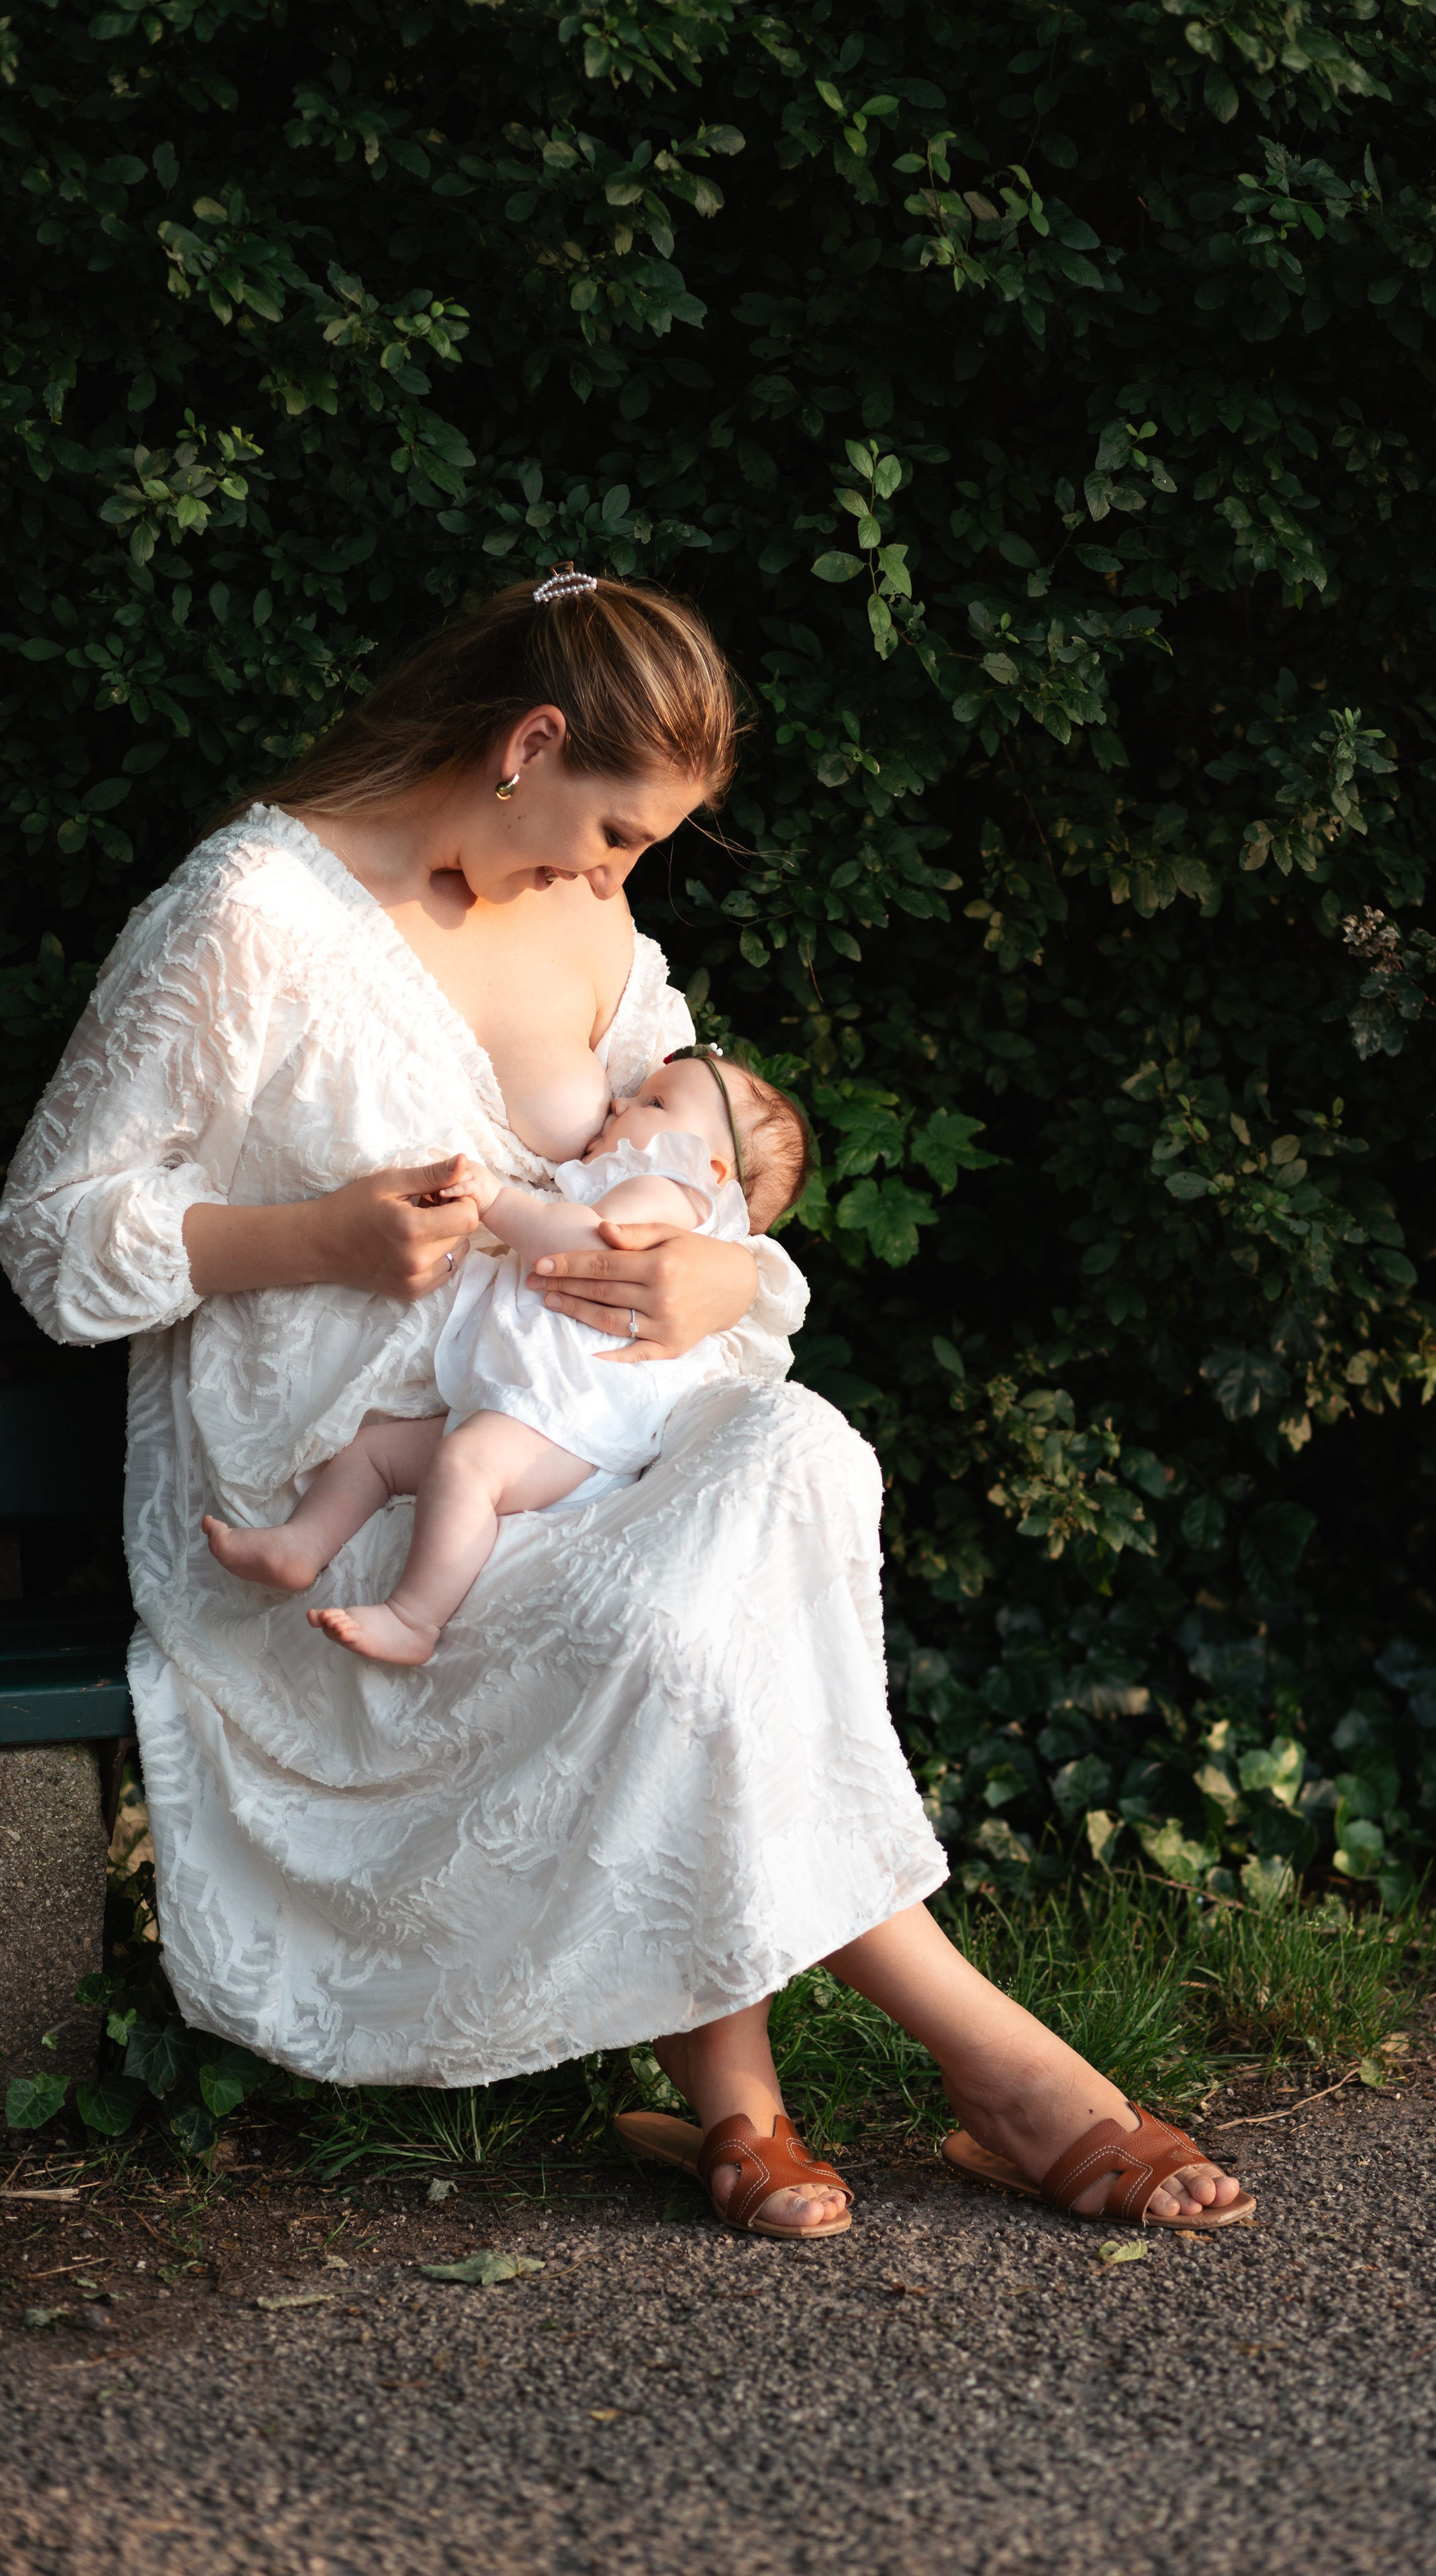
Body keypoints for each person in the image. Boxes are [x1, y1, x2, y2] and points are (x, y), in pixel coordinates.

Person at [0, 564, 1251, 2240]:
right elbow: (55, 1233)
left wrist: (723, 1279)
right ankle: (996, 2073)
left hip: (586, 1422)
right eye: (615, 831)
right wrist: (317, 1236)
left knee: (796, 1455)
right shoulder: (251, 913)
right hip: (357, 1493)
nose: (617, 878)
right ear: (527, 742)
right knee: (663, 1616)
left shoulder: (589, 924)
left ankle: (741, 2107)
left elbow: (706, 1164)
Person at [201, 1049, 810, 1666]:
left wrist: (496, 1201)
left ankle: (414, 1618)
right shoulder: (633, 1186)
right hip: (535, 1407)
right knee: (373, 1455)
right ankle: (301, 1545)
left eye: (654, 1102)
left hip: (573, 1421)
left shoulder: (670, 1193)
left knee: (465, 1466)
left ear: (710, 1167)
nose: (620, 1101)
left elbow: (579, 1248)